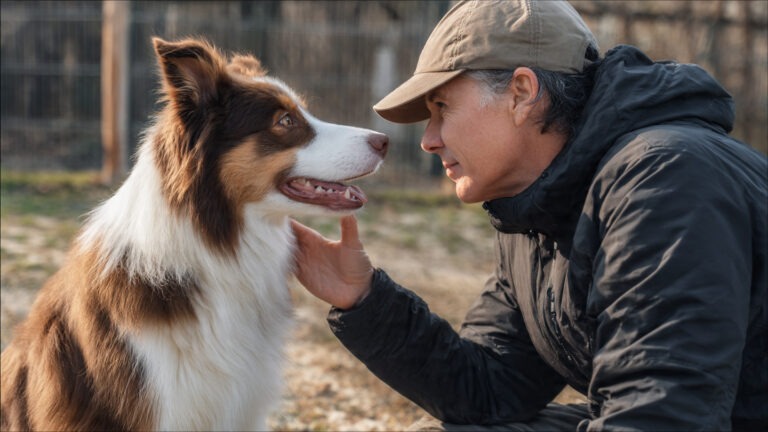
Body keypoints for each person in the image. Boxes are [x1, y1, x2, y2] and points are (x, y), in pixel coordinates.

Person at [290, 0, 768, 430]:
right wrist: (364, 299)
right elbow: (490, 390)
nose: (429, 139)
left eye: (442, 108)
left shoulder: (665, 181)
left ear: (521, 92)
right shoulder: (539, 205)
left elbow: (663, 413)